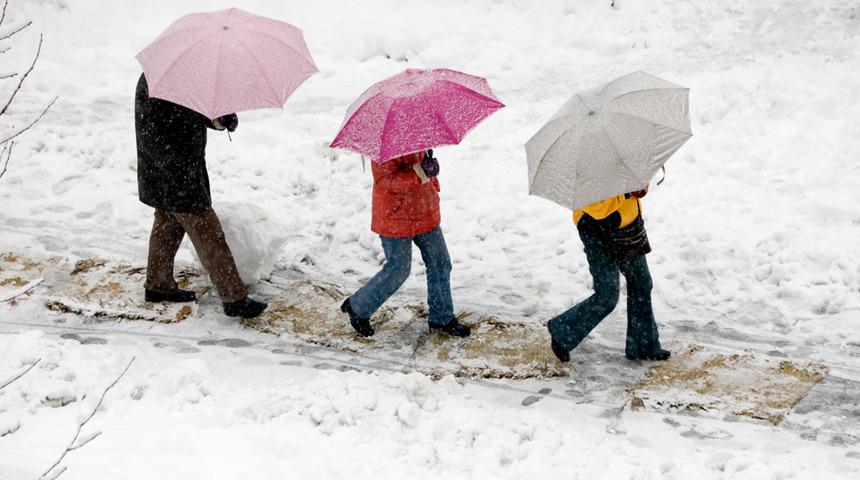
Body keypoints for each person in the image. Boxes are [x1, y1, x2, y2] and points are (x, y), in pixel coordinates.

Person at [135, 73, 267, 318]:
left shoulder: (162, 73)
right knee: (208, 231)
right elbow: (181, 113)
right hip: (176, 168)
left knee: (167, 222)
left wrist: (216, 119)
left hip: (162, 164)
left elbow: (184, 112)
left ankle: (159, 285)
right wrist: (215, 116)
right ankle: (234, 297)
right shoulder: (173, 79)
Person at [341, 149, 470, 338]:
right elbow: (384, 181)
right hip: (396, 217)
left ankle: (441, 318)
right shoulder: (384, 143)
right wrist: (419, 173)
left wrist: (430, 169)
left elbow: (421, 168)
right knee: (398, 269)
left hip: (424, 210)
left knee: (440, 263)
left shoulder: (420, 130)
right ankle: (358, 306)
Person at [546, 188, 670, 362]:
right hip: (596, 232)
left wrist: (641, 187)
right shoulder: (585, 169)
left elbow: (636, 179)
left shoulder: (624, 159)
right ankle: (562, 330)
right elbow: (598, 208)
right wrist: (626, 193)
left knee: (641, 283)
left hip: (629, 226)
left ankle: (643, 345)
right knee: (607, 296)